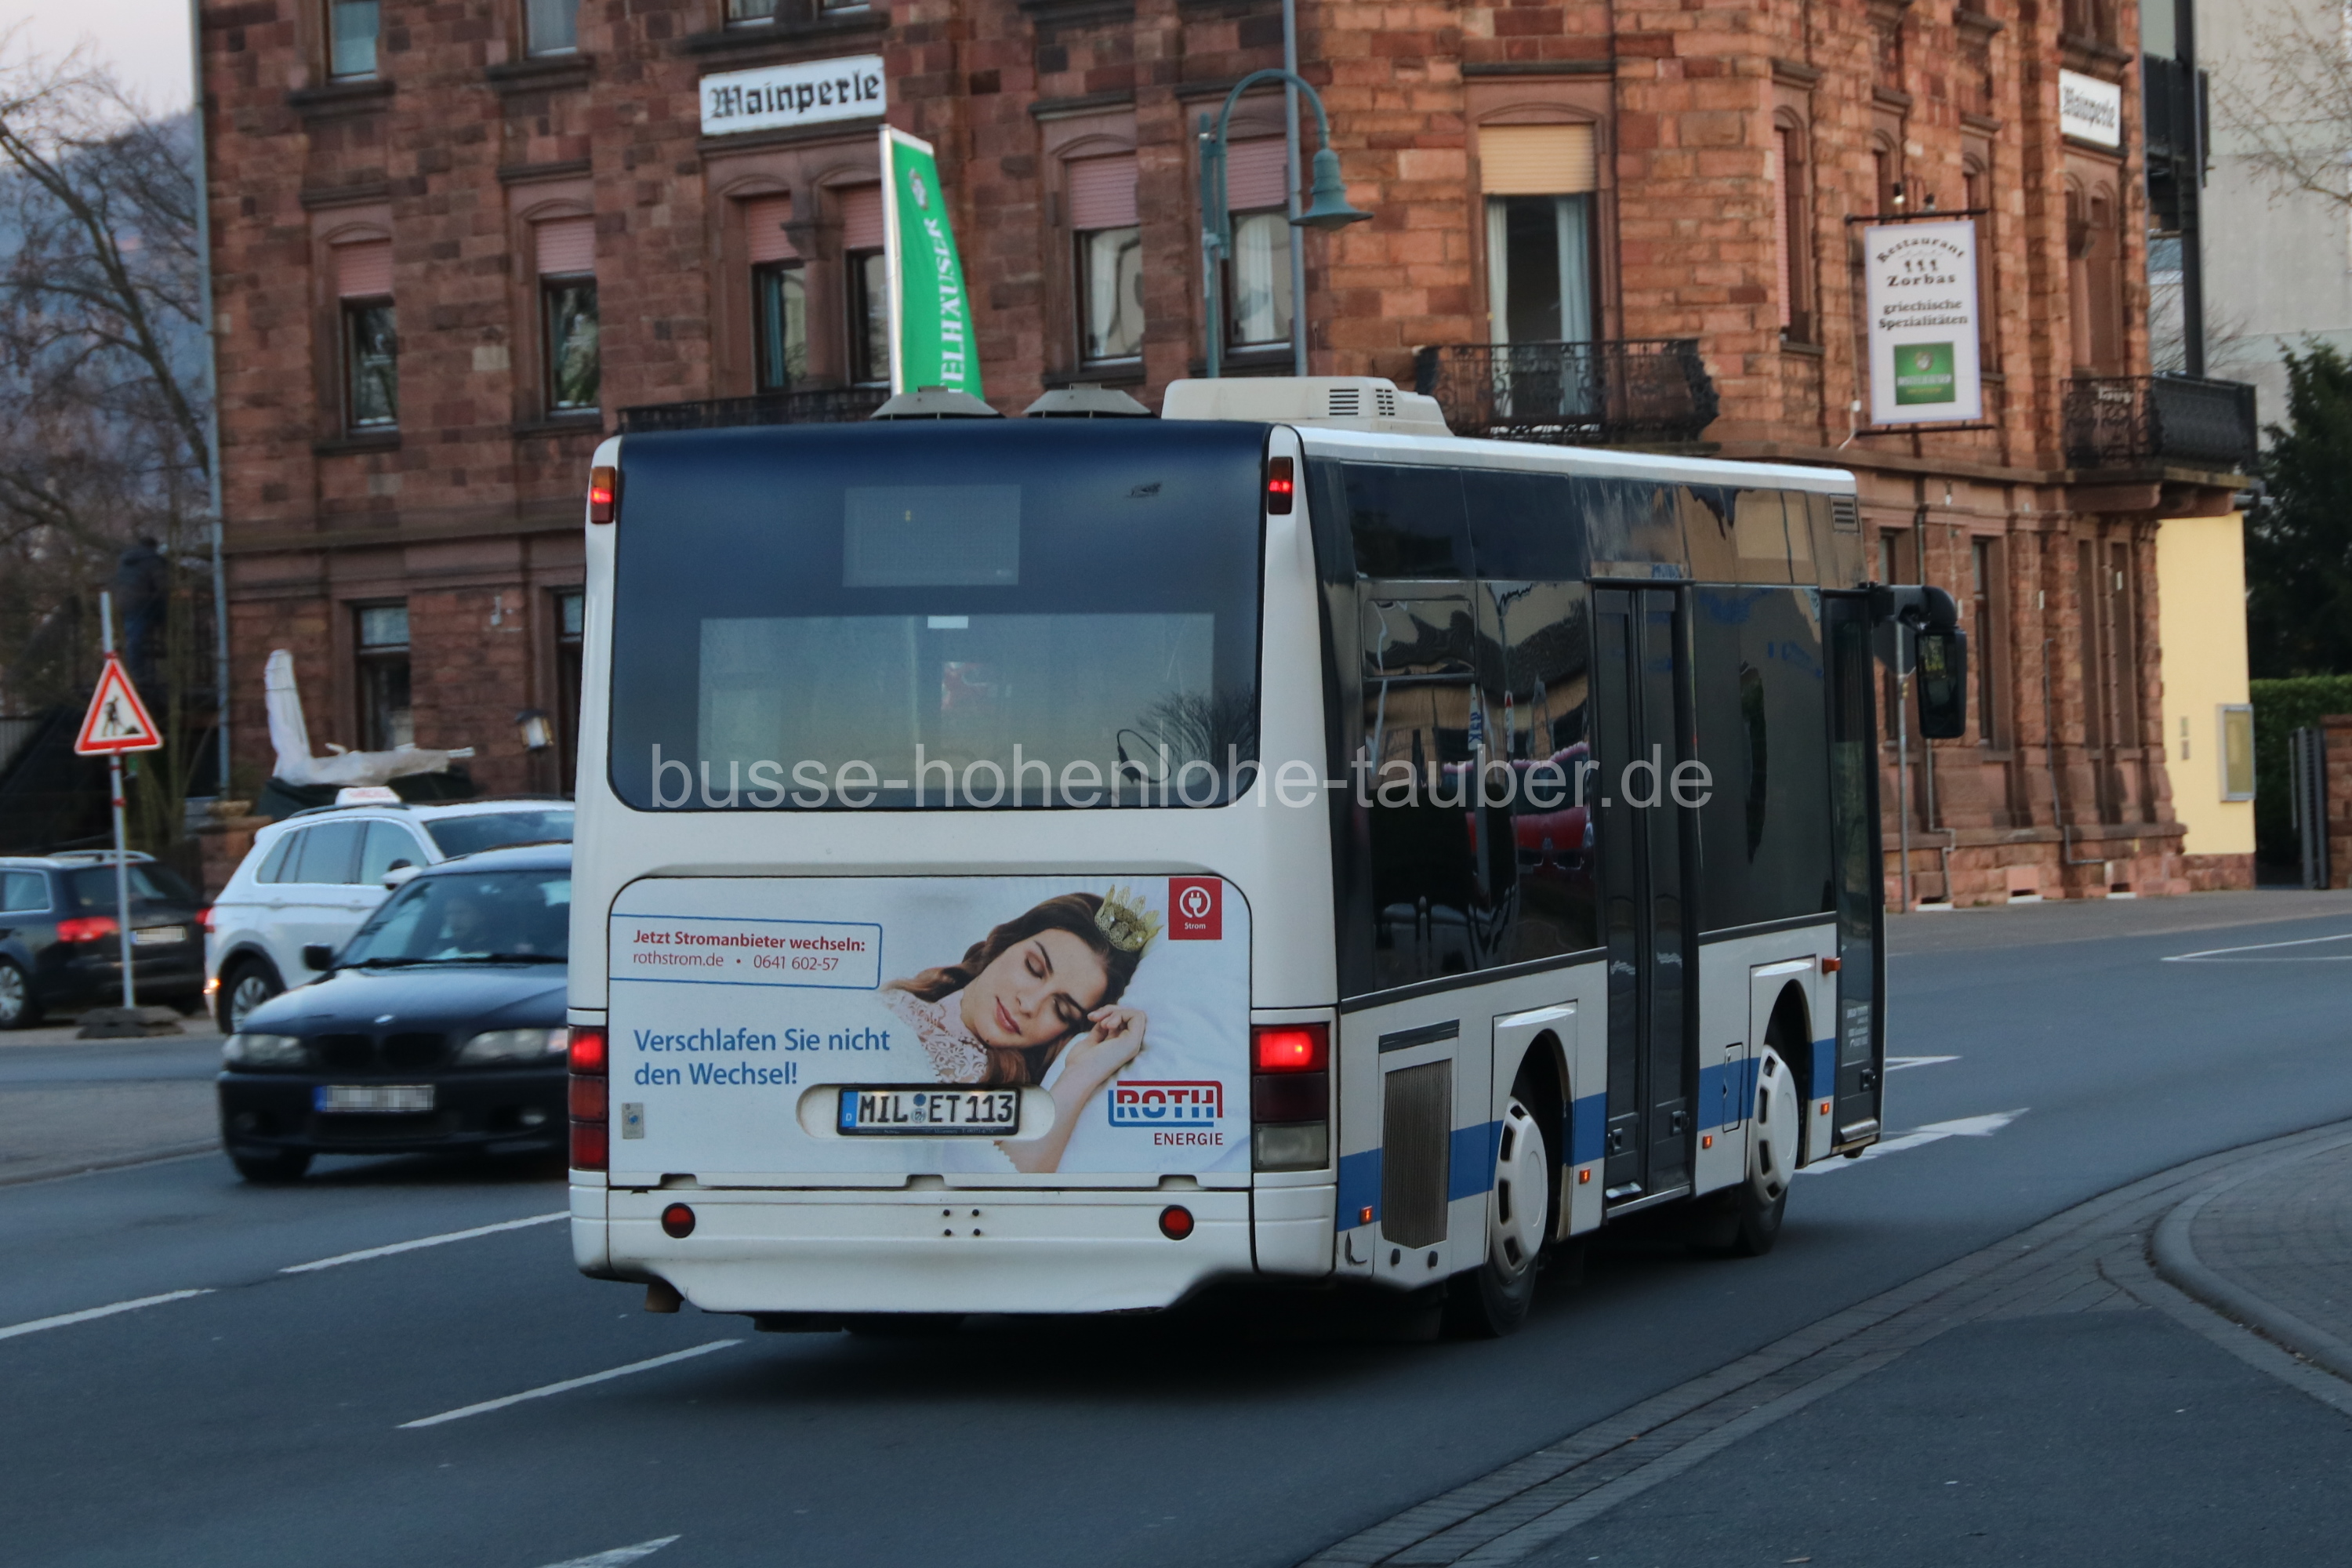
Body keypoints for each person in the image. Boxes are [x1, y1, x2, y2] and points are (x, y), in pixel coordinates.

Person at [879, 887, 1159, 1174]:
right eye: (1033, 968)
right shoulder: (891, 995)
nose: (1030, 1004)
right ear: (1006, 943)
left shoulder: (1002, 1093)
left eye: (1061, 1009)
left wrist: (1082, 1072)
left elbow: (1009, 1181)